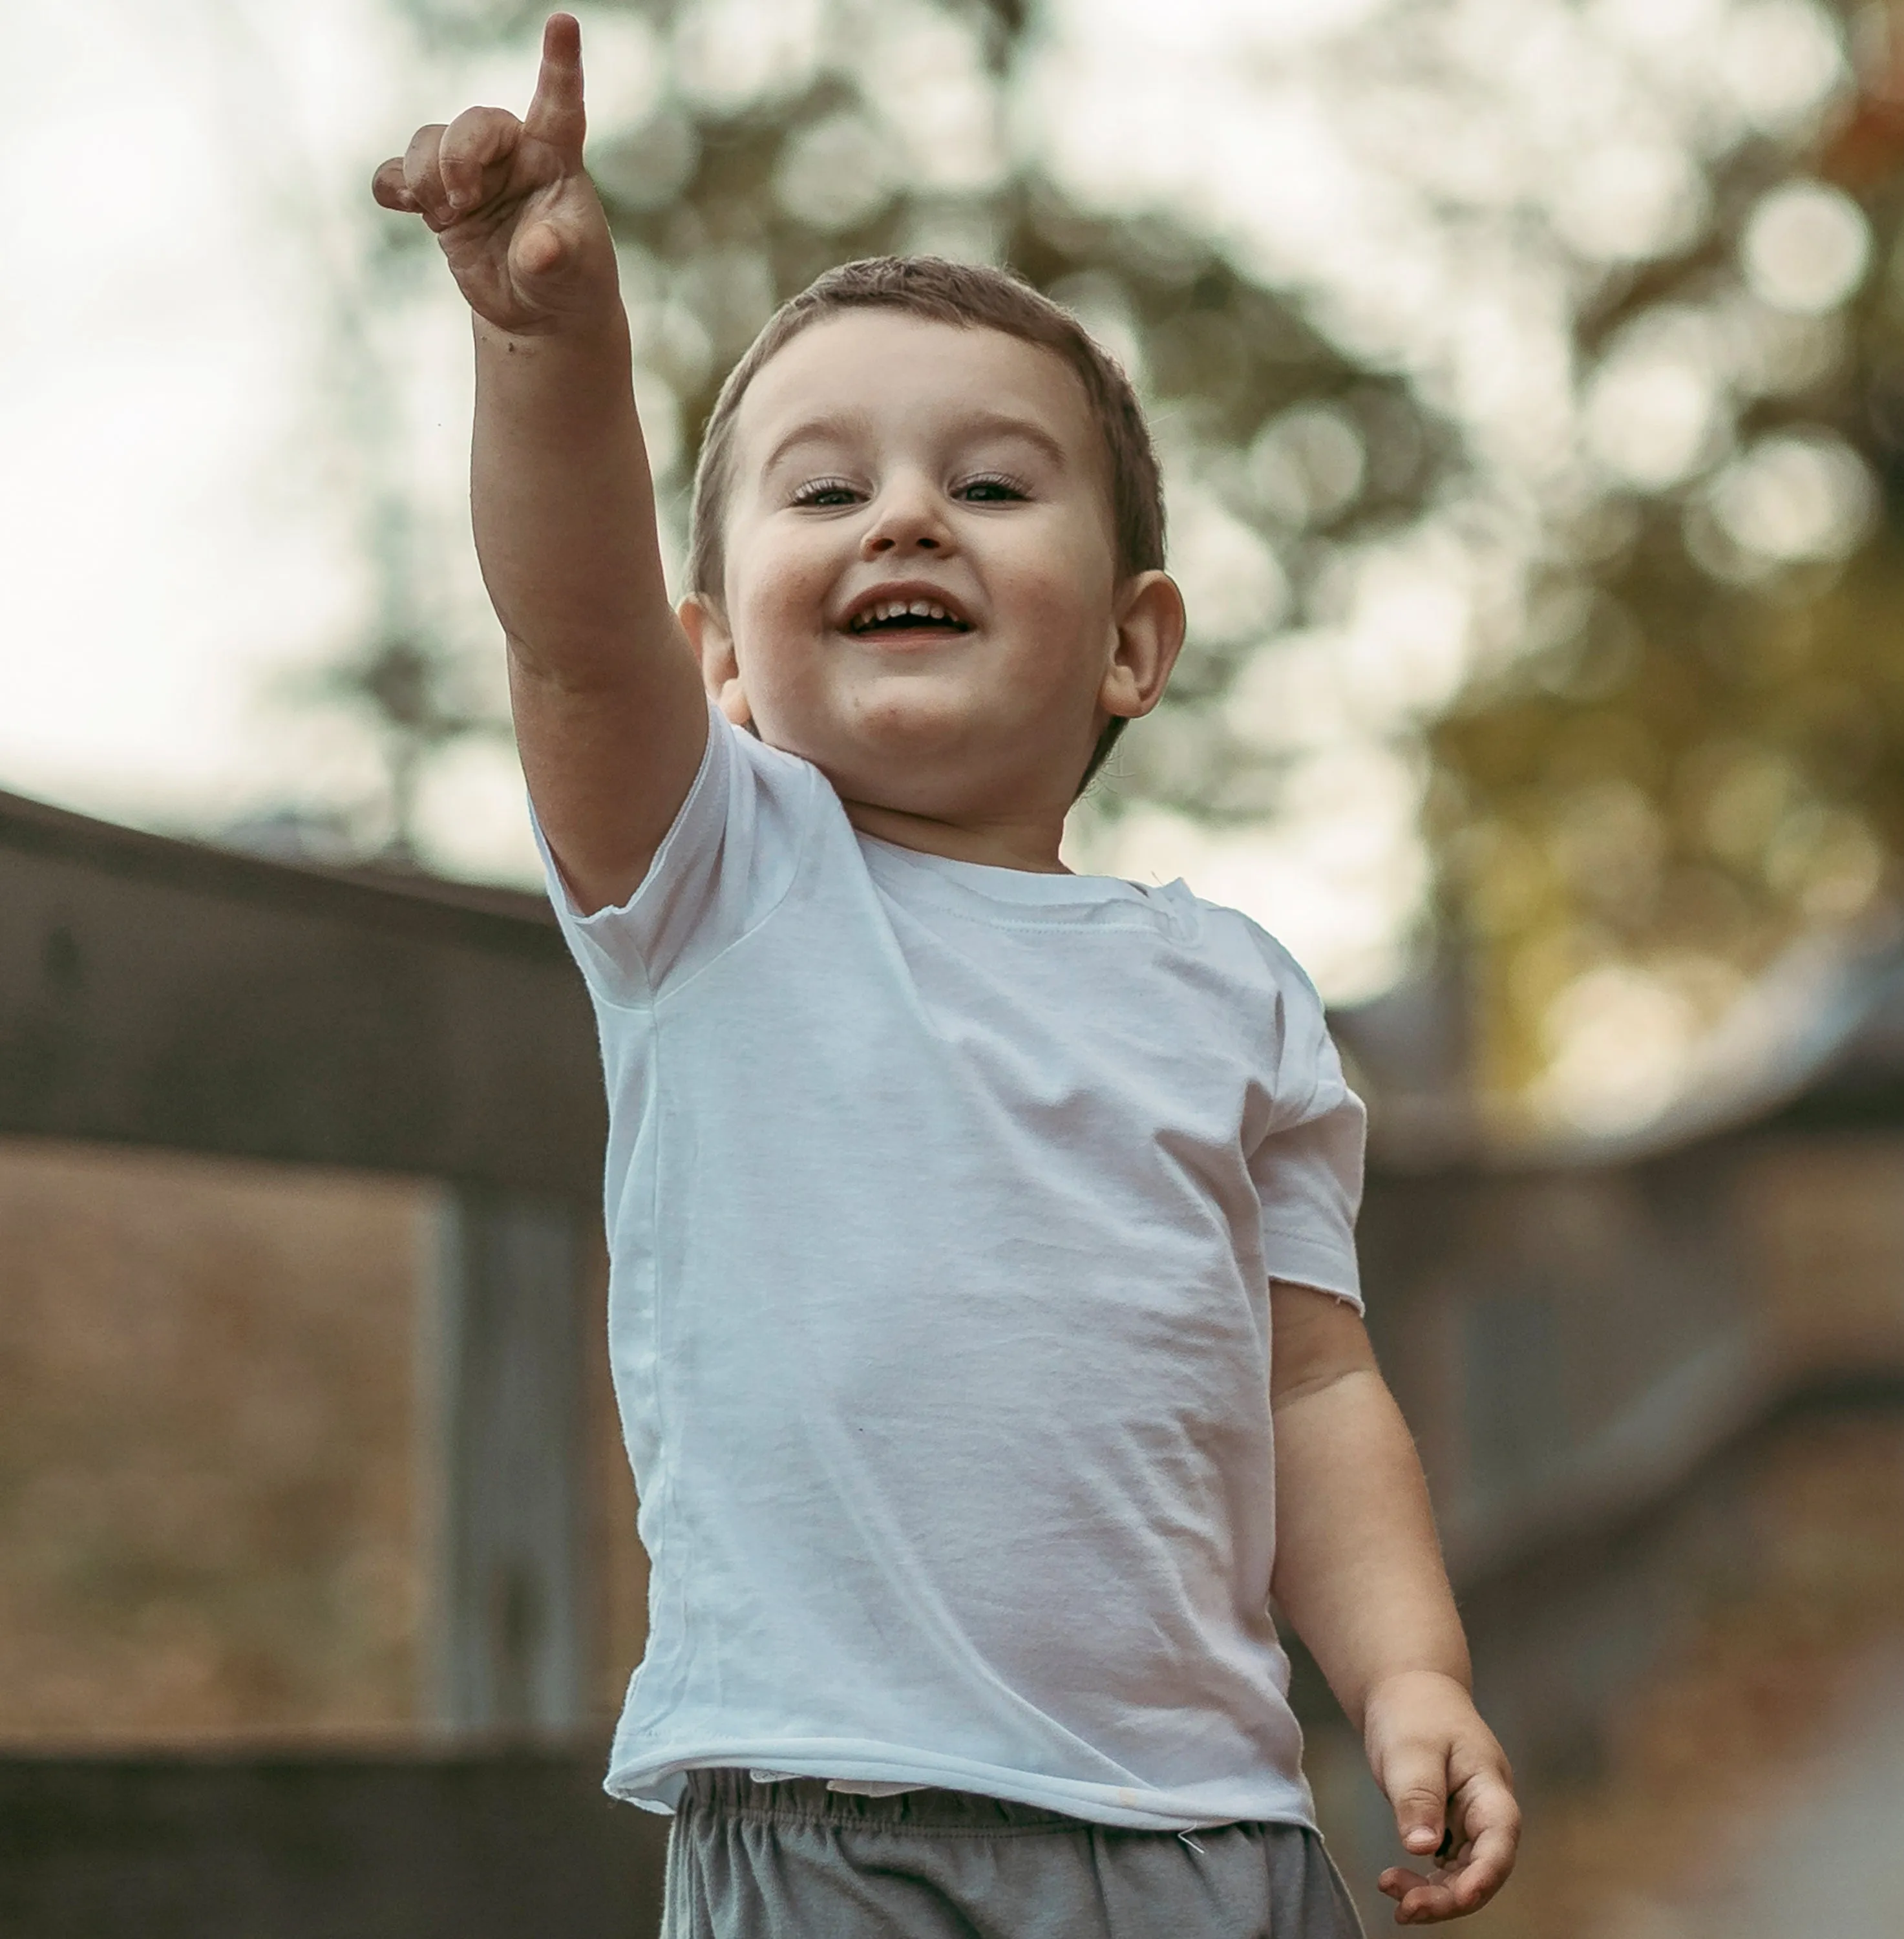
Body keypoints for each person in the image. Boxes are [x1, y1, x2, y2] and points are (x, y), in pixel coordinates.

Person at [374, 14, 1519, 1934]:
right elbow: (572, 634)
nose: (906, 513)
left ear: (1134, 646)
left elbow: (1315, 1388)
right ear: (723, 656)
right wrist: (547, 349)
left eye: (990, 487)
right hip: (836, 1826)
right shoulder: (717, 884)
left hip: (1211, 1834)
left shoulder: (1232, 991)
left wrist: (1411, 1674)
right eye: (825, 495)